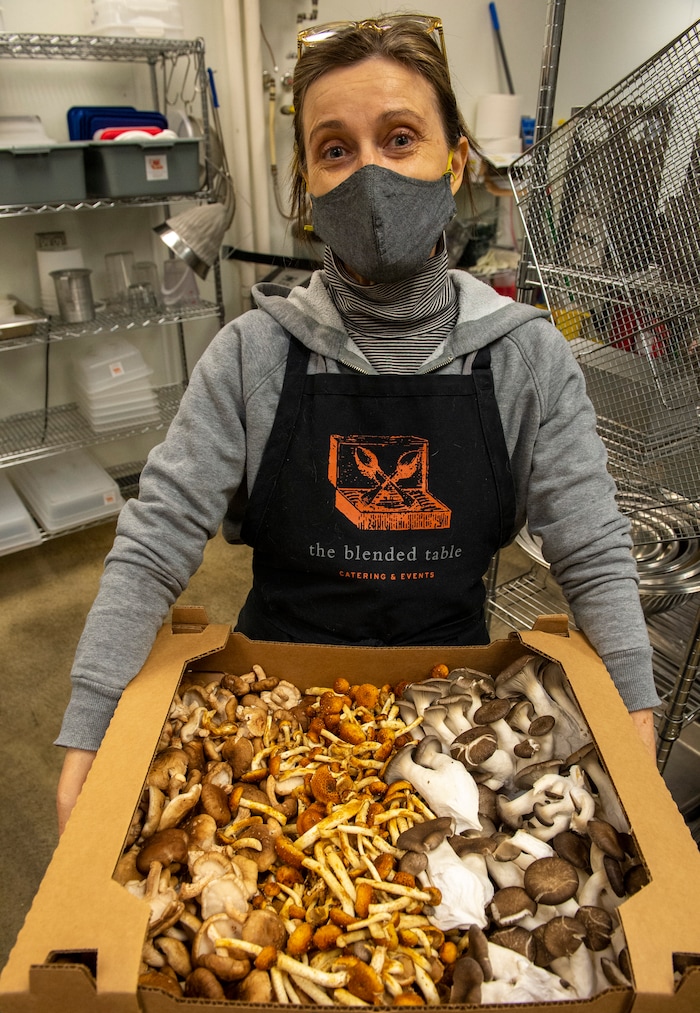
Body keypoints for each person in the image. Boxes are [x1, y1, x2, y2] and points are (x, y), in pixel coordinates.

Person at [56, 13, 658, 833]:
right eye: (335, 149)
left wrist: (632, 713)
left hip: (454, 710)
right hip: (276, 708)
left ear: (455, 162)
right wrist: (92, 722)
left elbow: (592, 550)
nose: (370, 174)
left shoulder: (525, 358)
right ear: (307, 185)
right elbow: (154, 541)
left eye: (400, 138)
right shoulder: (253, 355)